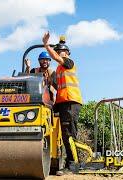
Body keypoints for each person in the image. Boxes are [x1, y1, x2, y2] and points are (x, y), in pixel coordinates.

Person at [42, 32, 83, 174]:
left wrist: (47, 45)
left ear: (67, 53)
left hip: (71, 101)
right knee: (64, 134)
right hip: (62, 103)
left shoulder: (69, 63)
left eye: (62, 52)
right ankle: (68, 163)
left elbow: (56, 58)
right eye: (59, 52)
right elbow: (52, 86)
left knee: (69, 134)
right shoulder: (59, 69)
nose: (61, 54)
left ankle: (73, 166)